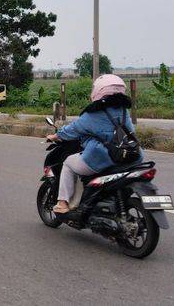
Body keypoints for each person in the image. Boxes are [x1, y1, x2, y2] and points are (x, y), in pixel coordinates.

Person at [46, 74, 143, 213]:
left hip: (102, 158)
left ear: (98, 91)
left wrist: (55, 136)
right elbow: (131, 131)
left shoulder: (94, 113)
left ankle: (62, 203)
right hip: (130, 156)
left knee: (68, 162)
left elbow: (72, 129)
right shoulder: (123, 111)